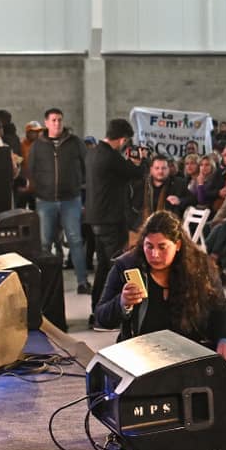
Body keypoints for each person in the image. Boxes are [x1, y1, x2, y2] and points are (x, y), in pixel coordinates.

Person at [93, 211, 226, 412]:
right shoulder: (126, 266)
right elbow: (102, 317)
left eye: (162, 247)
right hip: (144, 352)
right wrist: (122, 303)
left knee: (225, 352)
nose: (155, 254)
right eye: (149, 247)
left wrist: (225, 338)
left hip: (191, 348)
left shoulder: (200, 266)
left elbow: (221, 309)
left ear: (178, 245)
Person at [25, 108, 90, 293]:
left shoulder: (75, 143)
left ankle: (82, 282)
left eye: (59, 120)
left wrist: (80, 186)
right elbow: (31, 169)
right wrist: (39, 189)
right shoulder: (38, 145)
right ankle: (44, 283)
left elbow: (86, 165)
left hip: (71, 198)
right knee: (45, 242)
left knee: (75, 240)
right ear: (46, 123)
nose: (57, 123)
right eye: (53, 120)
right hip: (45, 200)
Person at [84, 118, 144, 309]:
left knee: (103, 267)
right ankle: (109, 310)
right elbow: (136, 173)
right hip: (111, 219)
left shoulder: (92, 153)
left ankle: (97, 308)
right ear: (122, 139)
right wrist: (140, 161)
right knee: (115, 267)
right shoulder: (111, 156)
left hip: (96, 218)